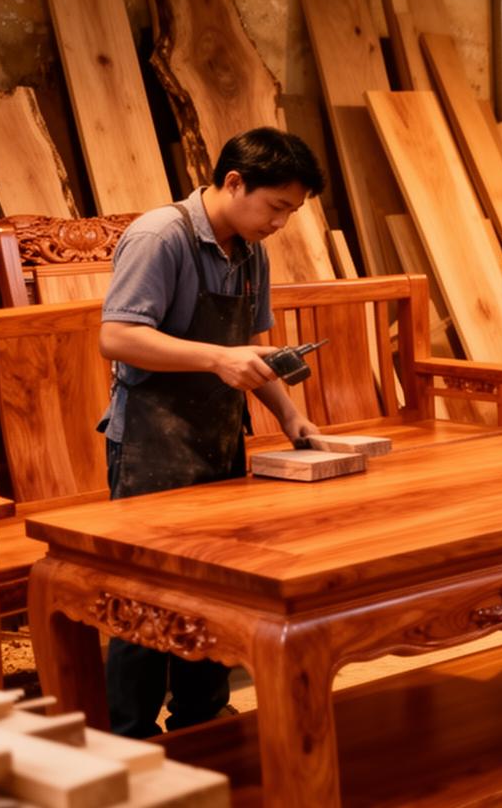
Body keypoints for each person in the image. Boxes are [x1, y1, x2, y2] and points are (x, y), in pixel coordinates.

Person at [97, 127, 326, 737]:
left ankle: (201, 721)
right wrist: (214, 358)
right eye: (275, 206)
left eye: (291, 213)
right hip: (150, 442)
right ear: (233, 182)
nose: (279, 222)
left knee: (219, 589)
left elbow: (250, 348)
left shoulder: (250, 250)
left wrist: (291, 416)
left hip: (217, 436)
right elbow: (117, 336)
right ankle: (130, 733)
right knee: (146, 596)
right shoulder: (160, 236)